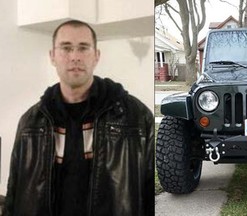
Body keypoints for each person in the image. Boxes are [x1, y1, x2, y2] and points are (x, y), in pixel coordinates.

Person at [3, 20, 154, 216]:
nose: (75, 56)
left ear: (96, 56)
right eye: (66, 48)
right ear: (52, 56)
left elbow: (151, 195)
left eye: (83, 48)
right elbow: (14, 194)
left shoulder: (137, 118)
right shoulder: (30, 122)